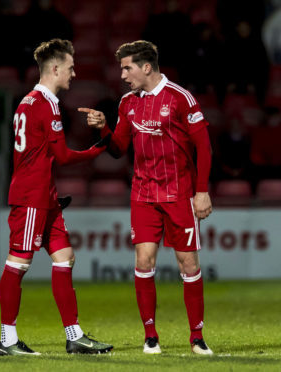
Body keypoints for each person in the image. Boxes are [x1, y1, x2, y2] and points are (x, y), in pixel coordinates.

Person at [79, 40, 213, 355]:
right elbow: (117, 150)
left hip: (179, 194)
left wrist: (202, 190)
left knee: (189, 264)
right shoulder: (127, 103)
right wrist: (103, 130)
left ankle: (196, 337)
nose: (123, 74)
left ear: (147, 67)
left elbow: (203, 147)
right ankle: (150, 336)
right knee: (143, 261)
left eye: (127, 67)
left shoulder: (181, 98)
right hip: (143, 193)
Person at [0, 38, 113, 356]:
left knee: (65, 258)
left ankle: (74, 336)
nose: (74, 74)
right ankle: (7, 340)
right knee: (18, 264)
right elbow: (61, 156)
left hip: (44, 196)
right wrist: (97, 149)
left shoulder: (26, 102)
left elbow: (38, 155)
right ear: (56, 68)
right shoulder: (46, 104)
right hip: (32, 197)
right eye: (71, 68)